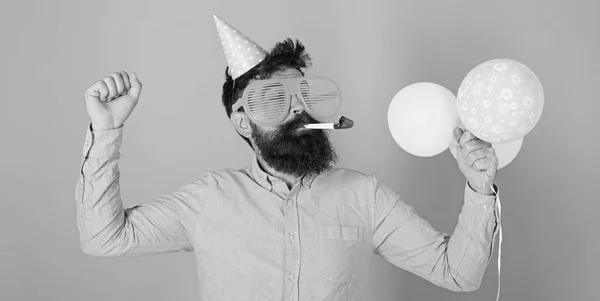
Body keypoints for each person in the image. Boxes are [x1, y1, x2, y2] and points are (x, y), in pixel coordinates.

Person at [75, 16, 499, 301]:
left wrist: (480, 186)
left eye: (304, 96)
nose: (298, 109)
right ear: (243, 122)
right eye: (275, 98)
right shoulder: (209, 200)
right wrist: (106, 129)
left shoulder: (363, 195)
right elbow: (103, 238)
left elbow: (457, 273)